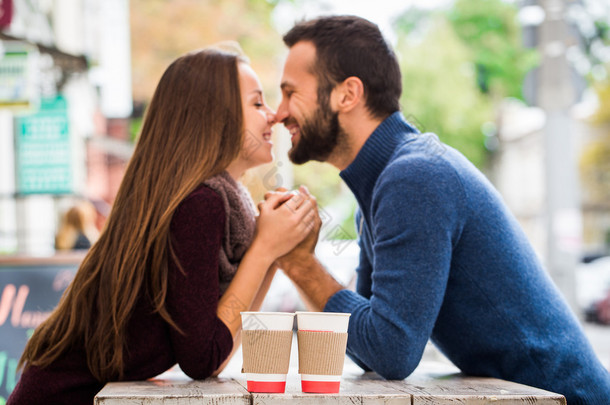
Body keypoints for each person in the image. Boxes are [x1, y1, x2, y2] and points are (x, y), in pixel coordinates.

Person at [271, 15, 610, 404]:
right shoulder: (384, 187)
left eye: (290, 92)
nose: (280, 113)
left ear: (347, 94)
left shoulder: (415, 178)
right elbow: (369, 348)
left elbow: (390, 350)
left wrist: (299, 264)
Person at [8, 46, 316, 404]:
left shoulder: (205, 200)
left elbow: (216, 350)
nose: (274, 115)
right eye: (257, 103)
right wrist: (264, 250)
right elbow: (202, 359)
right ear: (215, 115)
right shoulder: (200, 204)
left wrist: (271, 251)